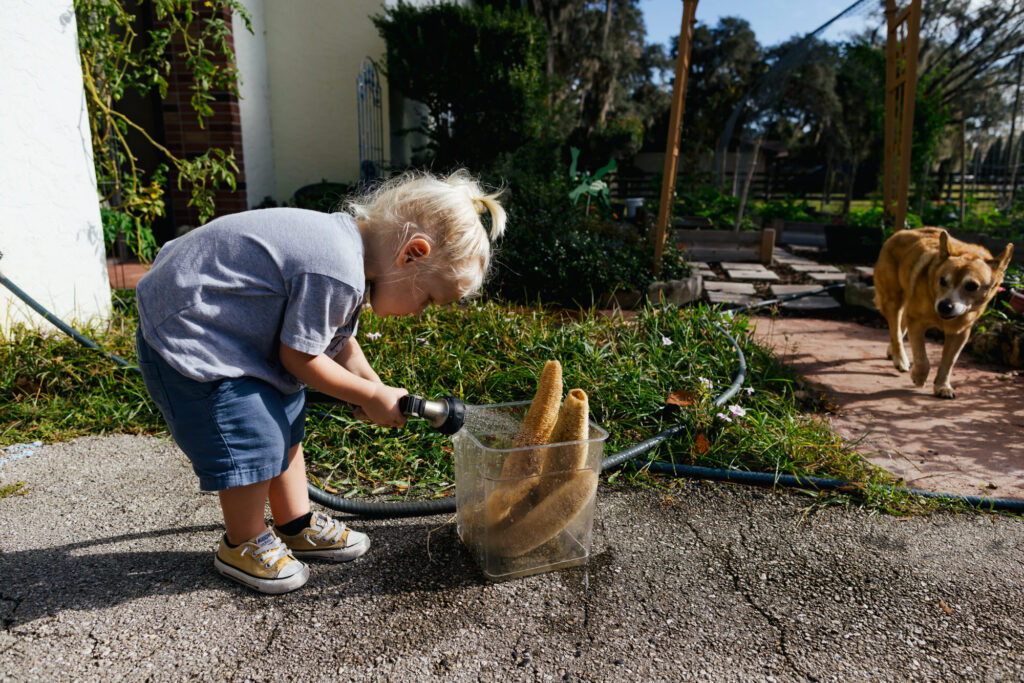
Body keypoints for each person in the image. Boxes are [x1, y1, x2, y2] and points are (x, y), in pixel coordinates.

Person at [134, 170, 506, 594]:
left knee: (287, 409)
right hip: (192, 332)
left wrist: (373, 385)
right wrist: (368, 394)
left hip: (220, 324)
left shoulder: (347, 255)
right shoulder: (337, 270)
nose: (421, 311)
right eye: (427, 299)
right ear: (413, 254)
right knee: (251, 426)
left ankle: (295, 523)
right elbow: (300, 357)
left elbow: (335, 341)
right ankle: (241, 540)